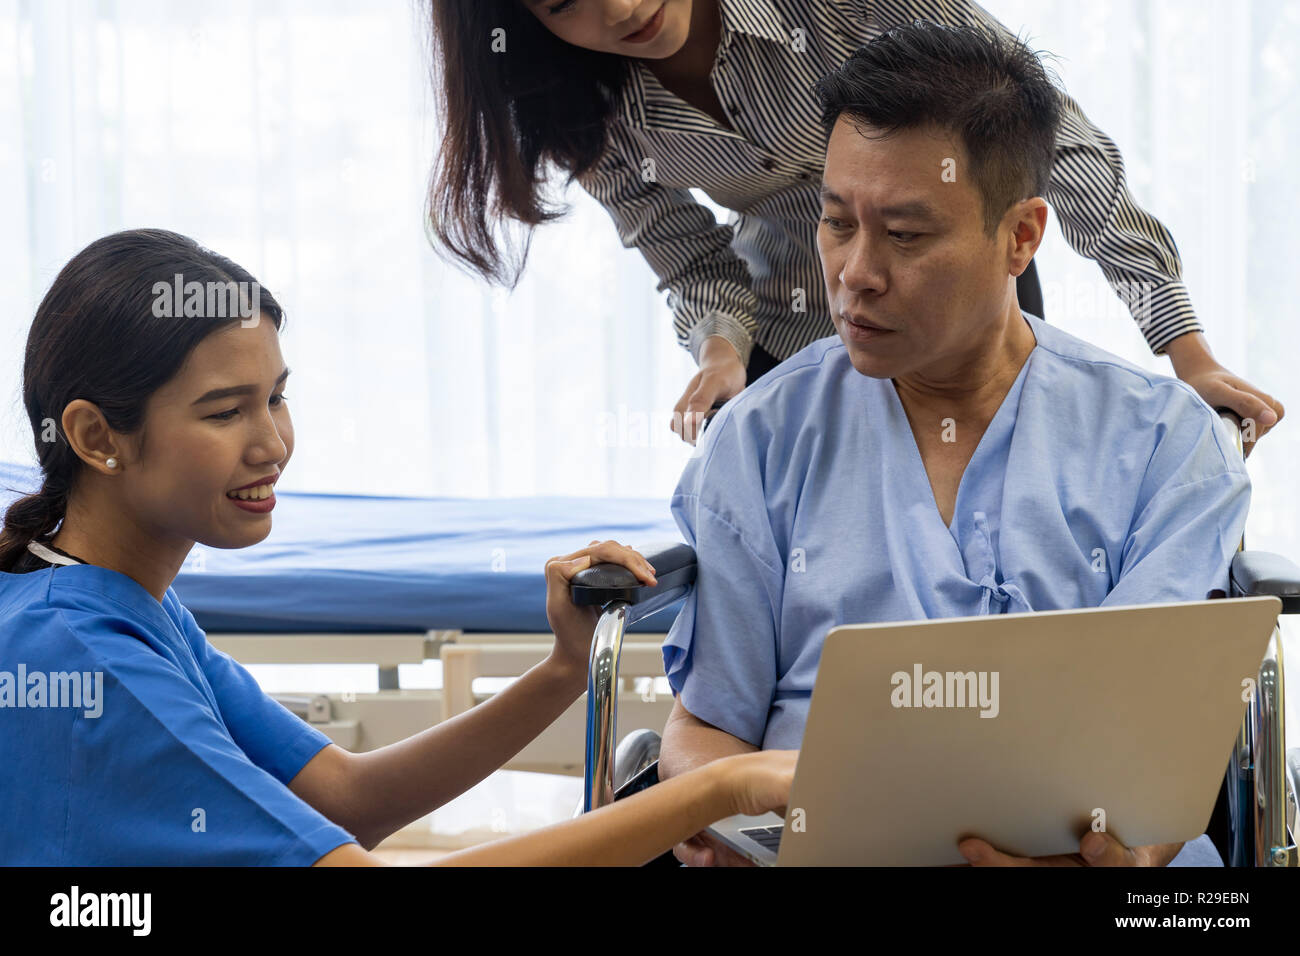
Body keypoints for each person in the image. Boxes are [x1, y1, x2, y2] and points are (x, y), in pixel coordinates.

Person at [0, 229, 795, 866]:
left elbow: (350, 799)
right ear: (96, 437)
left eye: (277, 398)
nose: (272, 442)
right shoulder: (82, 653)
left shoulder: (123, 605)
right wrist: (711, 791)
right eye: (223, 413)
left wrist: (564, 668)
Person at [654, 22, 1249, 866]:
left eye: (905, 235)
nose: (855, 272)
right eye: (834, 222)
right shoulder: (761, 438)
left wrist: (1126, 859)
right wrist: (729, 827)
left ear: (1022, 237)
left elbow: (1153, 745)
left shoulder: (1164, 444)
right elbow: (709, 723)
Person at [426, 0, 1283, 447]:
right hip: (782, 323)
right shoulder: (581, 109)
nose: (619, 12)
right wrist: (723, 356)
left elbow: (1053, 145)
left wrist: (1186, 351)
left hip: (955, 301)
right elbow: (691, 260)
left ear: (1022, 237)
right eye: (565, 2)